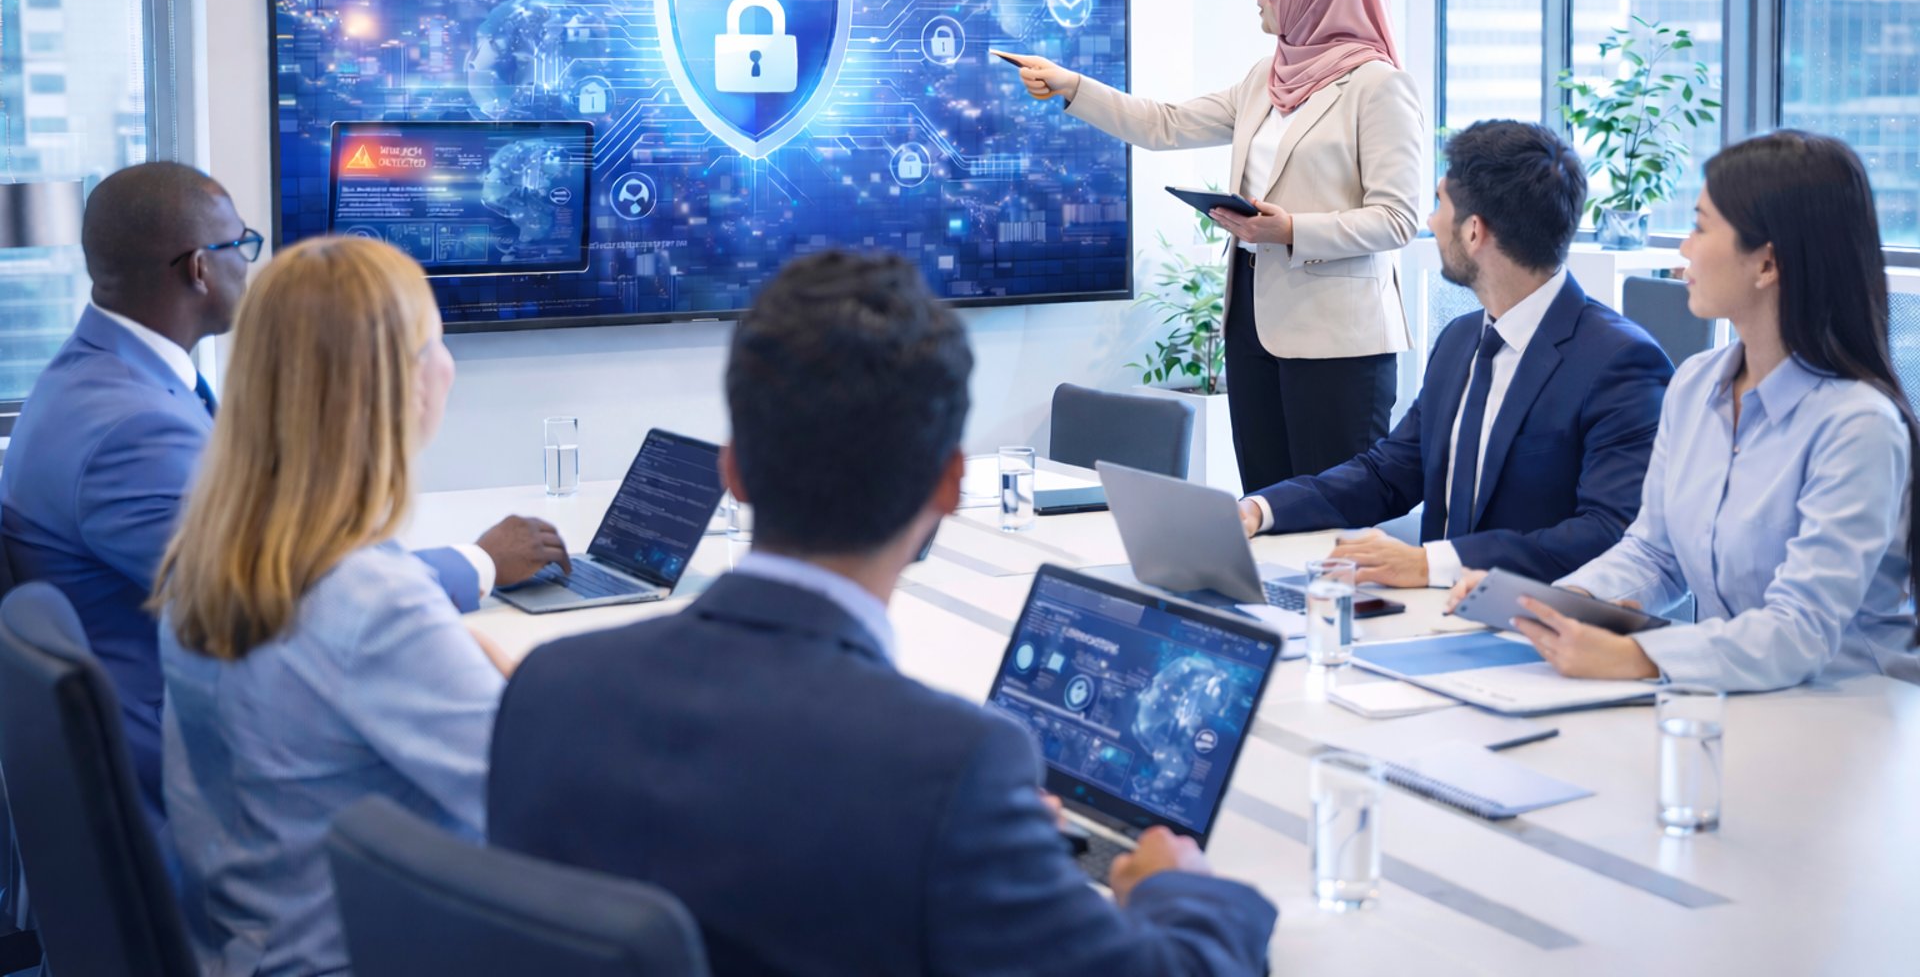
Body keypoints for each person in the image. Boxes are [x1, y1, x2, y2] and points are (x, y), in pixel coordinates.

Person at [489, 251, 1277, 976]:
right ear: (949, 486)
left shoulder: (551, 687)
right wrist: (1177, 888)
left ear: (733, 472)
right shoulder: (955, 767)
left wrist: (994, 839)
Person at [0, 162, 565, 833]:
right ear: (198, 269)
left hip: (207, 778)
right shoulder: (133, 426)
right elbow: (298, 600)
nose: (250, 261)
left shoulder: (102, 380)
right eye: (240, 244)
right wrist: (477, 568)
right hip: (195, 800)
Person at [153, 236, 514, 974]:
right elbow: (543, 802)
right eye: (437, 342)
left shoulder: (212, 559)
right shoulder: (371, 605)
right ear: (397, 386)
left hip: (247, 938)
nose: (448, 366)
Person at [1448, 132, 1920, 691]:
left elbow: (1800, 630)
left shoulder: (1858, 426)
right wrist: (1559, 603)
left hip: (1853, 710)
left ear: (1767, 262)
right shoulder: (1696, 384)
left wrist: (1636, 656)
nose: (1684, 250)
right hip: (1738, 700)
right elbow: (1655, 553)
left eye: (1700, 227)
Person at [1006, 0, 1424, 491]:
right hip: (1251, 323)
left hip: (1338, 342)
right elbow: (1165, 124)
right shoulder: (1265, 78)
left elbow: (1398, 219)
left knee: (1334, 511)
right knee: (1266, 505)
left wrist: (1291, 230)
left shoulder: (1378, 86)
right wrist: (1072, 85)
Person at [1237, 121, 1673, 588]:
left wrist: (1433, 565)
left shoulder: (1620, 361)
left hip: (1526, 619)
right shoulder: (1461, 339)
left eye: (1439, 204)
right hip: (1429, 610)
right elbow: (1387, 474)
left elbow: (1609, 536)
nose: (1429, 222)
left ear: (1473, 232)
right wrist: (1260, 509)